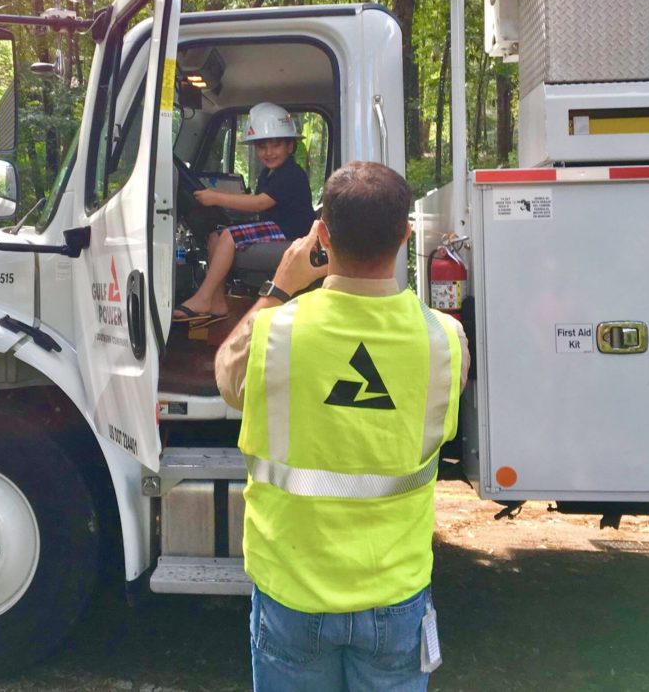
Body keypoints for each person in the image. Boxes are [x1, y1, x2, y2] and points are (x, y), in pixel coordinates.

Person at [215, 161, 469, 692]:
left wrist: (280, 286)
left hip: (292, 589)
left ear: (322, 235)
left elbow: (227, 378)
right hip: (394, 593)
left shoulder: (272, 332)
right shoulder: (445, 342)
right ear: (405, 236)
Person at [172, 102, 313, 326]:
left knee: (229, 236)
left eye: (276, 145)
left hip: (291, 233)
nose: (268, 152)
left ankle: (203, 297)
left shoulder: (290, 173)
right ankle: (217, 303)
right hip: (276, 228)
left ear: (290, 146)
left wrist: (216, 197)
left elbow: (259, 204)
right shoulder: (268, 174)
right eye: (262, 147)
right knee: (214, 237)